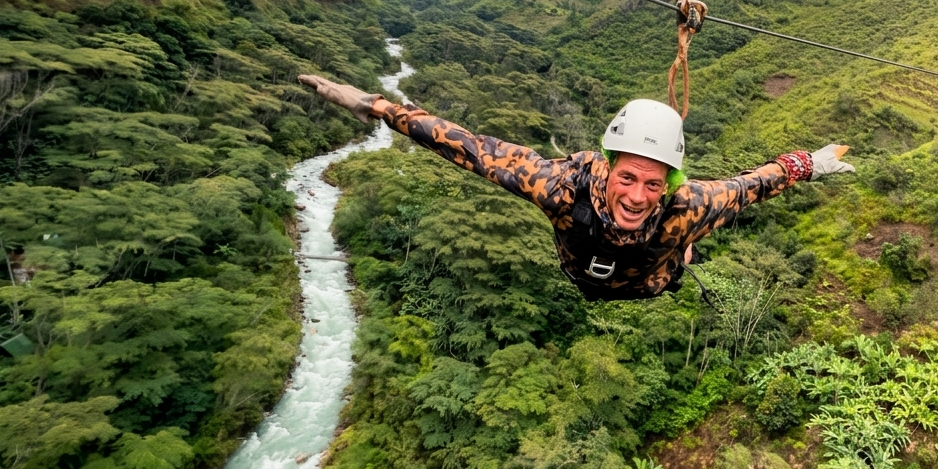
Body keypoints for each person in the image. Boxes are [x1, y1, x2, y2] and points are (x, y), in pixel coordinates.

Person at [298, 74, 854, 301]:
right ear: (607, 171)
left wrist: (813, 164)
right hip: (580, 270)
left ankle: (682, 254)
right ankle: (677, 252)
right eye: (627, 178)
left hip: (651, 280)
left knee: (684, 235)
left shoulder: (689, 205)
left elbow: (757, 183)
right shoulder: (561, 189)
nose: (637, 195)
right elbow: (469, 147)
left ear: (670, 185)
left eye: (653, 184)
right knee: (677, 233)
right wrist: (376, 106)